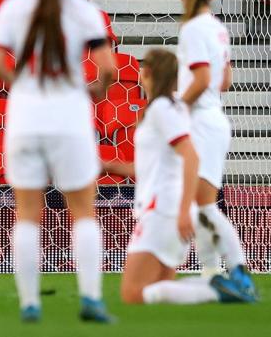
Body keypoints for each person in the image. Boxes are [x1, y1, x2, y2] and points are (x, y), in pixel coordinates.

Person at [0, 0, 117, 324]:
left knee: (27, 213)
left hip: (26, 116)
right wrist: (95, 91)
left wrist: (23, 85)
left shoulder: (14, 7)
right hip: (70, 116)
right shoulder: (84, 11)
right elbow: (106, 68)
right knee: (83, 212)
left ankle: (30, 304)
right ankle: (91, 299)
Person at [104, 49, 254, 305]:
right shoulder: (167, 109)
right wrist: (107, 165)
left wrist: (185, 209)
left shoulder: (162, 109)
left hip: (164, 209)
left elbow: (191, 156)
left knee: (133, 293)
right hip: (166, 207)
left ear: (147, 72)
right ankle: (213, 286)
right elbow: (151, 166)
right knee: (158, 290)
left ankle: (215, 289)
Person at [177, 0, 256, 297]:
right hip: (213, 118)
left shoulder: (193, 29)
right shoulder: (218, 29)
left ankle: (238, 270)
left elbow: (201, 79)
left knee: (206, 206)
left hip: (201, 121)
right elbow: (225, 80)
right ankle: (211, 272)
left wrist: (174, 106)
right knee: (200, 202)